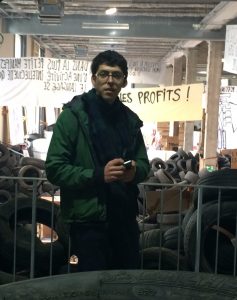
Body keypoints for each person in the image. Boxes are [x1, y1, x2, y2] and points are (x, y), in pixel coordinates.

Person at [45, 50, 150, 271]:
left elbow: (143, 163)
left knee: (125, 283)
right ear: (94, 79)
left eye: (116, 75)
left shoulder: (130, 121)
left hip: (124, 219)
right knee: (91, 286)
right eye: (104, 74)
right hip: (88, 224)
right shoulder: (73, 117)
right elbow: (55, 168)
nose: (110, 80)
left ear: (124, 82)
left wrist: (135, 171)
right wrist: (98, 175)